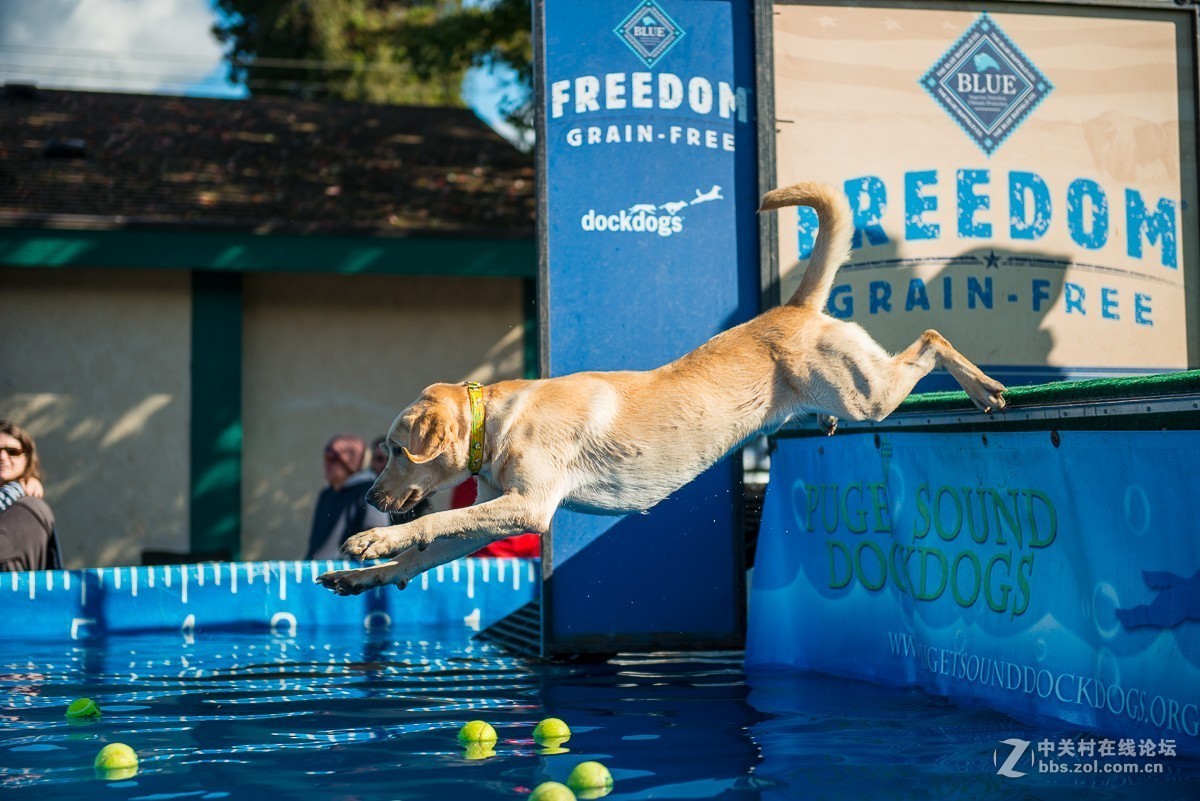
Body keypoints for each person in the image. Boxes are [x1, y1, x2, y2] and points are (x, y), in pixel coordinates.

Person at [304, 434, 390, 560]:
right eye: (325, 457)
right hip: (314, 568)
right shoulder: (326, 494)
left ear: (349, 463)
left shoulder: (369, 492)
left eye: (332, 458)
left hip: (345, 571)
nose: (326, 463)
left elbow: (377, 542)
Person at [0, 420, 62, 572]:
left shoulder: (29, 507)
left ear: (27, 457)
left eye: (12, 451)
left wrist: (19, 487)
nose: (2, 456)